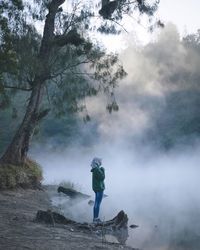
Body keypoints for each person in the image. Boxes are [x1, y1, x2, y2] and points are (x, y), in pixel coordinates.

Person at [90, 157, 105, 223]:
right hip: (99, 188)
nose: (101, 162)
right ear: (97, 161)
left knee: (96, 203)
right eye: (100, 161)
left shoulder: (95, 168)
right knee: (97, 203)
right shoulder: (97, 169)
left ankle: (95, 218)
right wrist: (103, 170)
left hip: (96, 188)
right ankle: (96, 219)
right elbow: (102, 177)